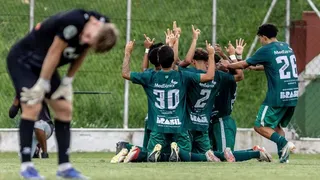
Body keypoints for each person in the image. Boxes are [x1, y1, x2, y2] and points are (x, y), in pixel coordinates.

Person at [6, 9, 118, 179]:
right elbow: (55, 51)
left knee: (64, 109)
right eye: (87, 37)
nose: (85, 41)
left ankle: (64, 168)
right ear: (94, 24)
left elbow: (82, 52)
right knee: (32, 106)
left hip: (45, 64)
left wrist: (67, 81)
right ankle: (27, 167)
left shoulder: (101, 28)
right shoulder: (73, 21)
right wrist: (42, 84)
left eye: (90, 41)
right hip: (23, 61)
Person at [121, 38, 216, 162]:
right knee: (187, 156)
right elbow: (210, 76)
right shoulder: (183, 75)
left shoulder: (150, 76)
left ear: (159, 61)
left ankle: (139, 150)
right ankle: (179, 152)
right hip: (179, 127)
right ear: (173, 61)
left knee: (152, 155)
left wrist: (128, 52)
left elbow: (125, 73)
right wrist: (211, 54)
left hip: (158, 127)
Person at [222, 23, 298, 163]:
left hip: (277, 96)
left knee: (259, 126)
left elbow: (244, 65)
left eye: (259, 39)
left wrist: (227, 65)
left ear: (263, 37)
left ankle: (284, 144)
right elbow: (272, 65)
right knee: (276, 126)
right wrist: (251, 66)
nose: (260, 42)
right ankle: (284, 158)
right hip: (292, 94)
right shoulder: (286, 47)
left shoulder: (267, 49)